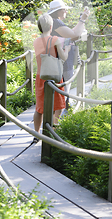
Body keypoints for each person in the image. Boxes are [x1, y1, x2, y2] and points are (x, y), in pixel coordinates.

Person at [48, 0, 90, 117]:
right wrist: (82, 19)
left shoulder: (55, 21)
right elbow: (74, 35)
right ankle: (57, 117)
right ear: (58, 11)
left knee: (65, 83)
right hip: (61, 58)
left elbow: (72, 34)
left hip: (63, 58)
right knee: (64, 83)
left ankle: (62, 109)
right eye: (64, 9)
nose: (66, 11)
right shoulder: (55, 22)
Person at [33, 13, 71, 142]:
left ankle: (36, 134)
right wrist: (68, 49)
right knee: (59, 105)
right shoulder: (54, 39)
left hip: (40, 76)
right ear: (51, 26)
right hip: (54, 76)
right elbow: (64, 57)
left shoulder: (35, 41)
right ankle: (53, 131)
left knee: (39, 107)